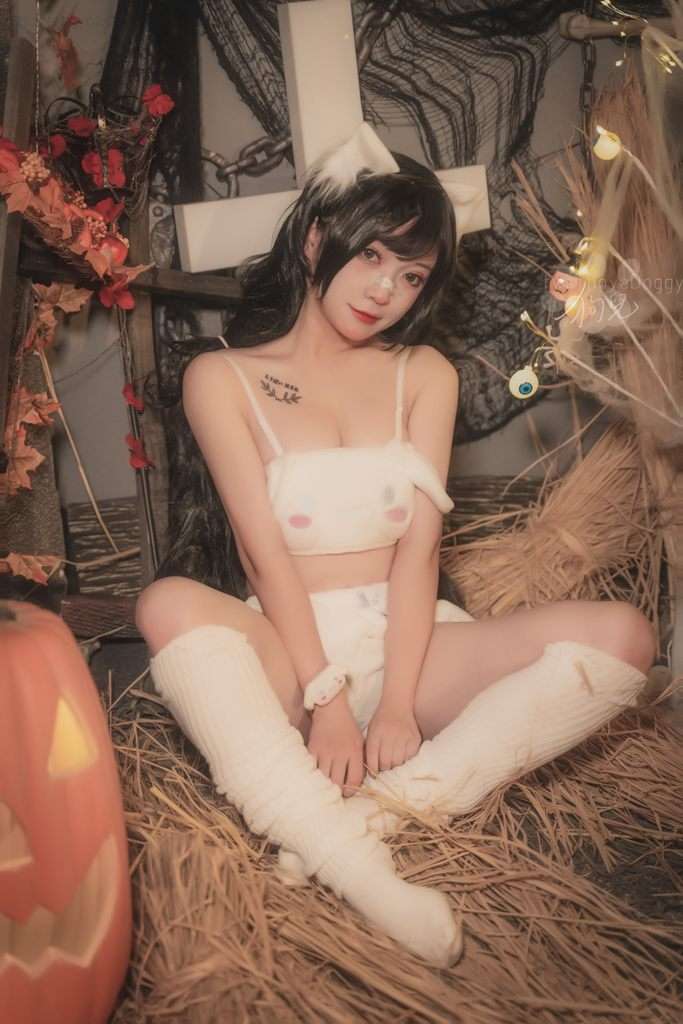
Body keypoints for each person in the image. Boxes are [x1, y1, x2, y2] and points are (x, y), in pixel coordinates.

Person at [135, 125, 655, 967]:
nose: (386, 289)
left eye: (411, 275)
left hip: (408, 640)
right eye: (372, 255)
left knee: (624, 636)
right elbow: (263, 556)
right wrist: (329, 702)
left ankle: (378, 815)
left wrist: (398, 706)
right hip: (290, 650)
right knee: (165, 603)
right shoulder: (221, 378)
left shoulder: (425, 376)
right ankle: (362, 873)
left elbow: (417, 557)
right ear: (316, 240)